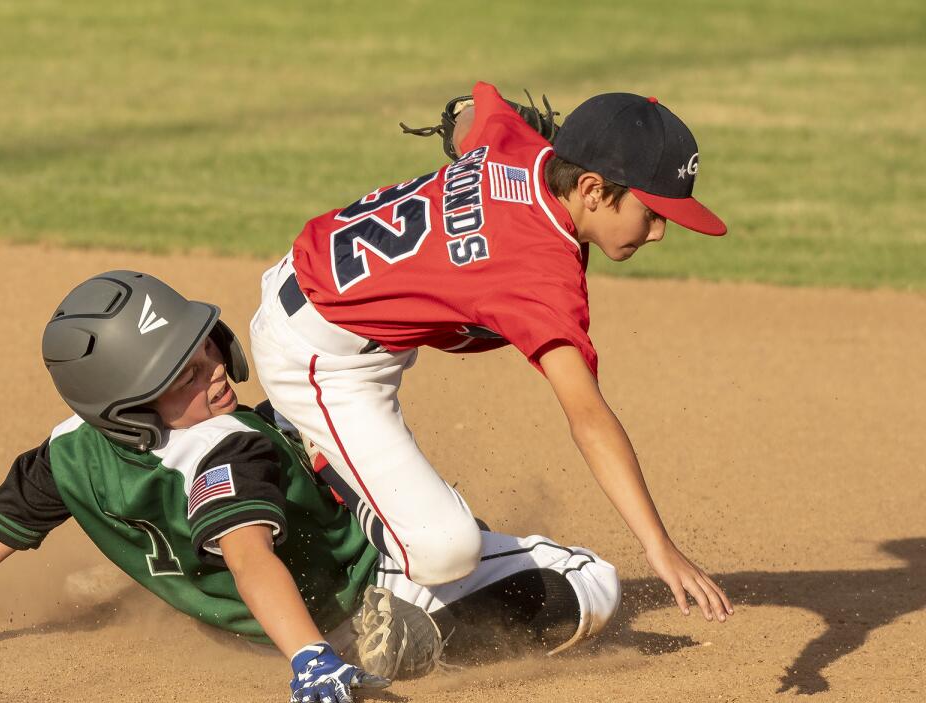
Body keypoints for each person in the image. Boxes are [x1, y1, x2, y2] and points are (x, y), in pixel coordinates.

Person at [0, 270, 622, 703]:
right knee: (592, 584)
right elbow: (248, 556)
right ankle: (423, 632)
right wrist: (310, 660)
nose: (212, 375)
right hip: (345, 596)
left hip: (251, 620)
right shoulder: (229, 449)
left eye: (206, 352)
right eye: (183, 377)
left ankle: (388, 625)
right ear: (129, 407)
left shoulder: (67, 452)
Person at [248, 82, 735, 624]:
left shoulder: (520, 146)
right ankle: (301, 446)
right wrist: (657, 545)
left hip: (317, 287)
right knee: (444, 552)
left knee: (478, 320)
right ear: (593, 190)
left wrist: (485, 152)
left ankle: (328, 454)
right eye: (651, 212)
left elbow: (470, 112)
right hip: (320, 363)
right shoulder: (538, 275)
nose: (660, 231)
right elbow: (589, 417)